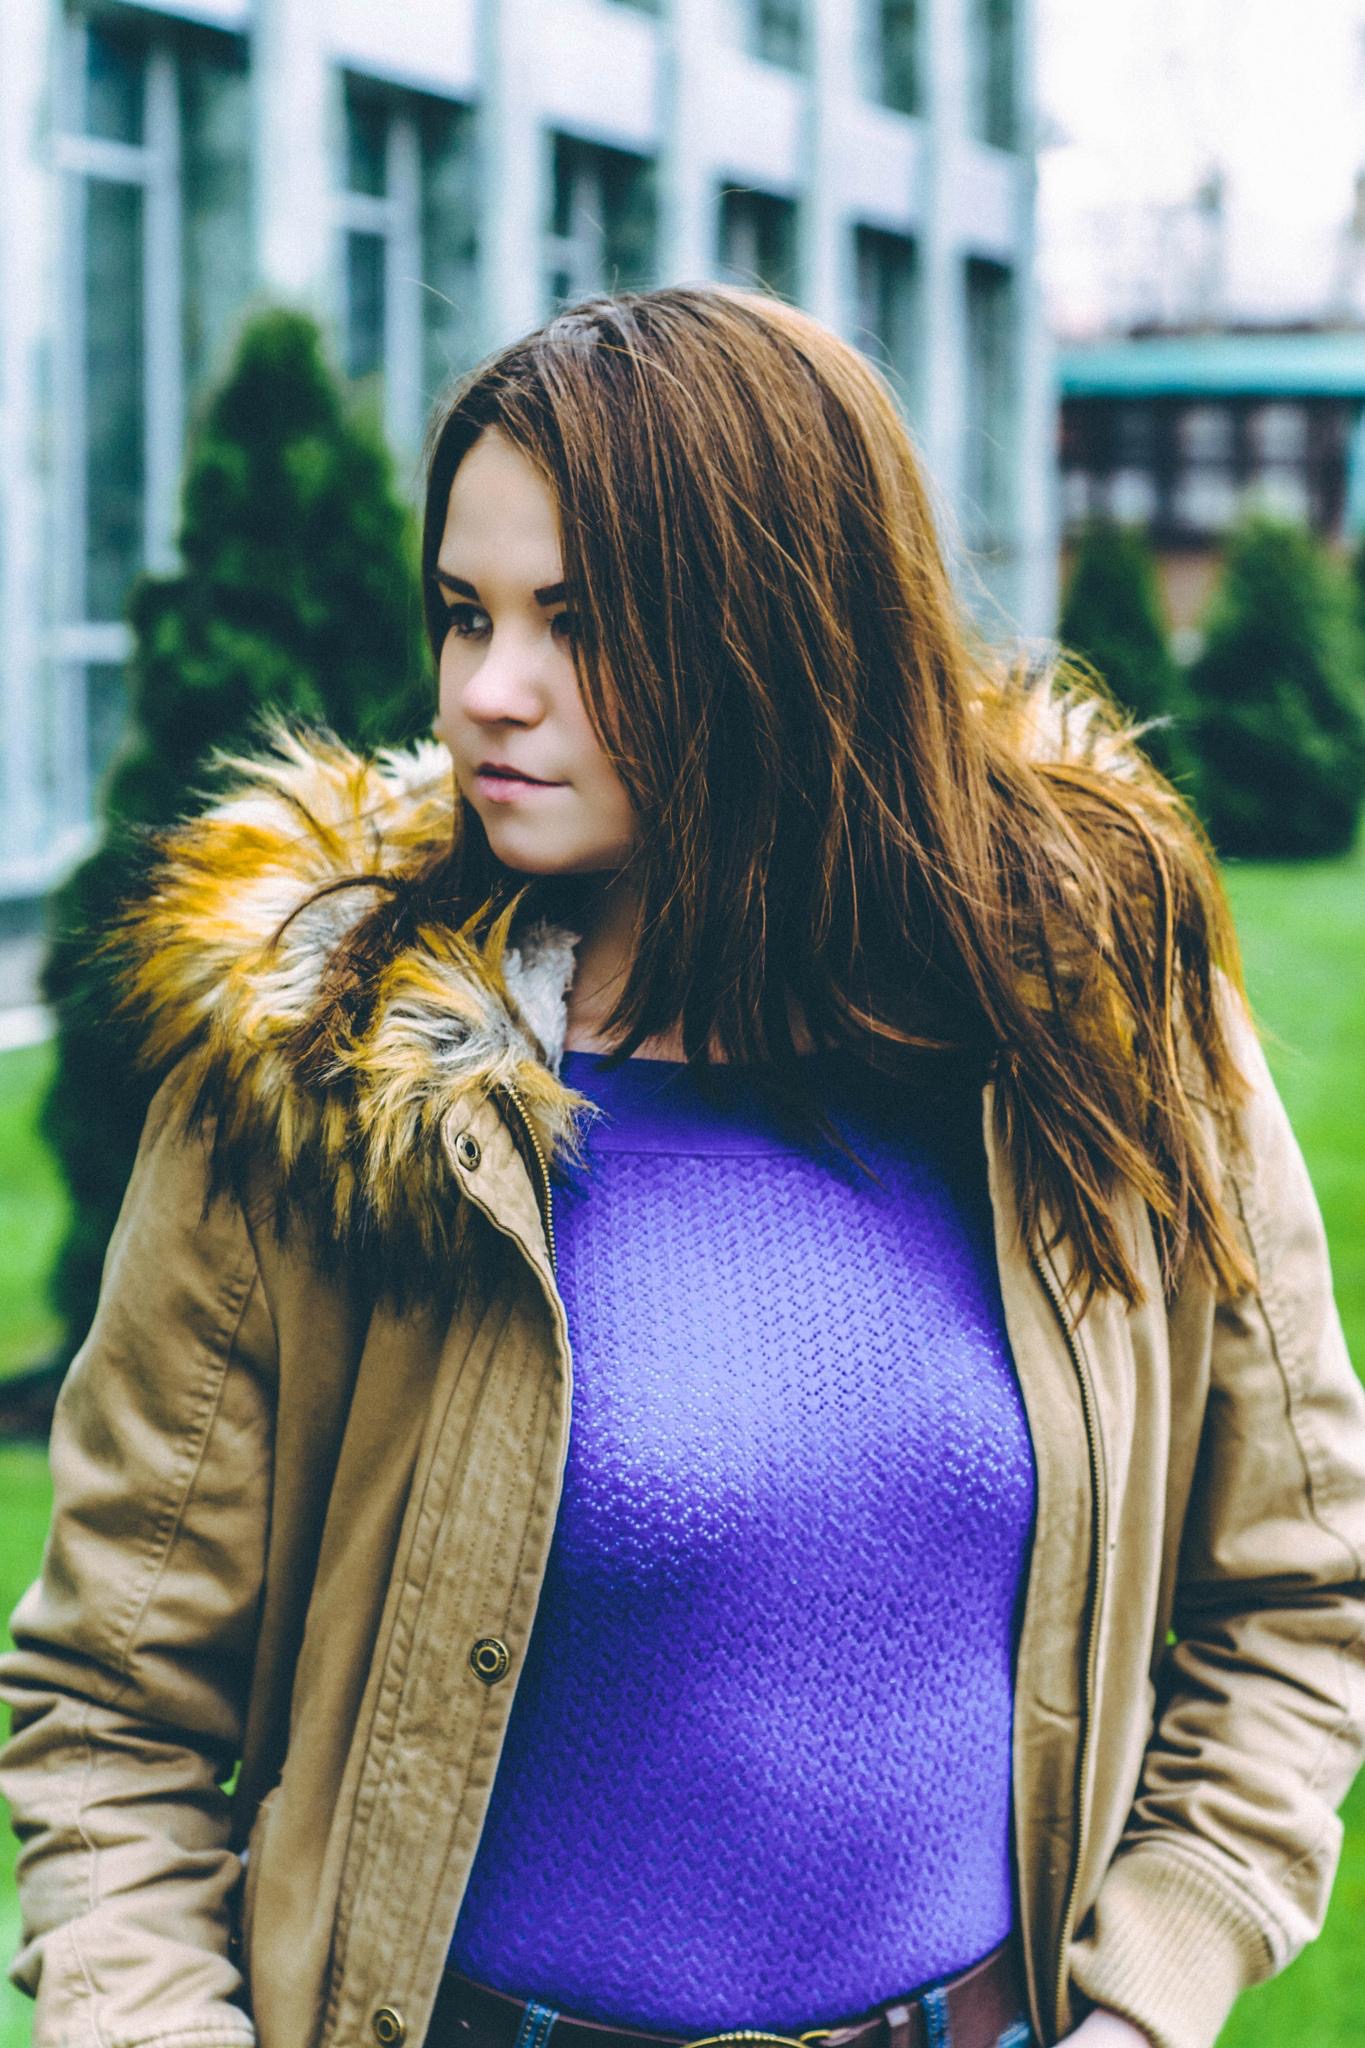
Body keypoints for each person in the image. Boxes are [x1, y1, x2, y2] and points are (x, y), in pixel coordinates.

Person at [1, 283, 1363, 2048]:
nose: (487, 693)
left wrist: (1153, 1989)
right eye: (464, 614)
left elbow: (1297, 1592)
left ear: (789, 630)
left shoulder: (1102, 1043)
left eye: (576, 624)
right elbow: (112, 1718)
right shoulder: (321, 1088)